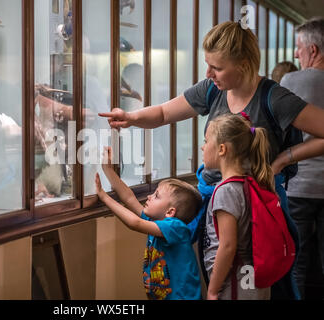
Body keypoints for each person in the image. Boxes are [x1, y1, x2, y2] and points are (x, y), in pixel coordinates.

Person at [99, 21, 324, 299]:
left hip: (254, 211)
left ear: (242, 64)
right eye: (208, 65)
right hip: (214, 202)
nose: (208, 73)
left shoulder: (274, 98)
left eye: (216, 67)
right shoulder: (212, 89)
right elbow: (163, 113)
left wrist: (283, 159)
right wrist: (132, 118)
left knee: (259, 281)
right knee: (217, 273)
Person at [95, 147, 202, 300]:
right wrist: (108, 170)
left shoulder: (175, 227)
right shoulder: (156, 222)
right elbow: (129, 199)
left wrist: (104, 197)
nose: (149, 196)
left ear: (170, 212)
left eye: (156, 196)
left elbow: (134, 223)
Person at [275, 18, 324, 299]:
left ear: (313, 50)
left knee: (297, 261)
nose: (296, 55)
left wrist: (283, 159)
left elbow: (279, 131)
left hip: (300, 186)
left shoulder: (290, 81)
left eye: (298, 48)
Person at [201, 113, 272, 300]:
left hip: (236, 282)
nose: (202, 147)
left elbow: (228, 246)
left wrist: (212, 290)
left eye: (206, 141)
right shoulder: (249, 182)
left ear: (222, 149)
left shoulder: (227, 191)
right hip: (252, 278)